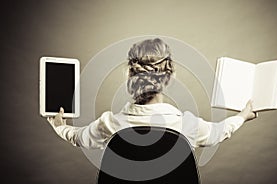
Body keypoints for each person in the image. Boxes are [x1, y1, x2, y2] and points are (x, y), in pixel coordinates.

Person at [47, 38, 256, 150]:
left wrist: (59, 126)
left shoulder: (108, 124)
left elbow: (77, 137)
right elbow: (221, 130)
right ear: (169, 77)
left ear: (130, 74)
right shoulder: (187, 126)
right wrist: (242, 116)